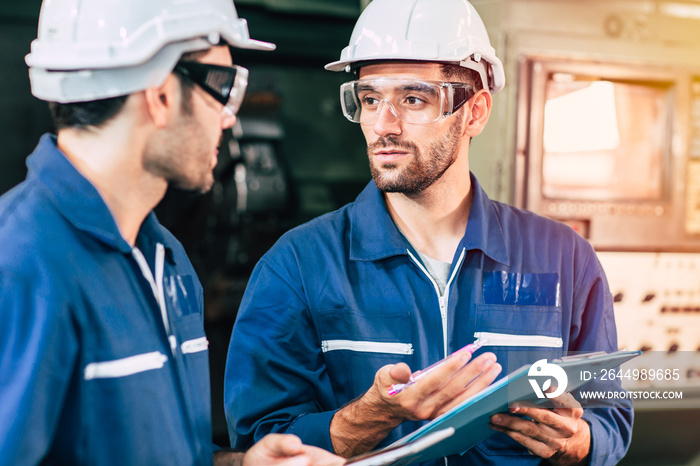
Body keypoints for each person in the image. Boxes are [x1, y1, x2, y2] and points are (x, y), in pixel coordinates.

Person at [224, 0, 633, 465]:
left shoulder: (564, 258)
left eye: (413, 99)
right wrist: (370, 417)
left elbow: (610, 418)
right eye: (370, 98)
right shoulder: (297, 265)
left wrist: (578, 442)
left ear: (475, 113)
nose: (383, 125)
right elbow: (259, 441)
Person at [0, 0, 343, 465]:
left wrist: (240, 464)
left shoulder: (167, 260)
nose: (229, 116)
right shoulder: (21, 266)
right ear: (161, 95)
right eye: (222, 87)